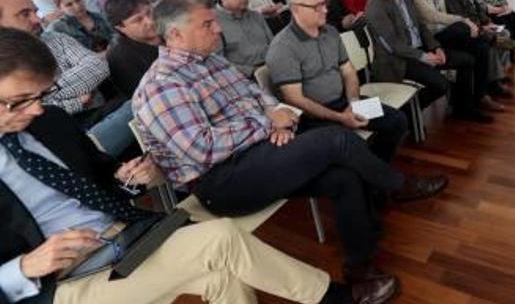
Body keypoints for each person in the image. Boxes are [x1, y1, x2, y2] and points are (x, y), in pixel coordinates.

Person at [0, 28, 393, 304]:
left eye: (42, 95)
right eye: (20, 101)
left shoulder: (48, 121)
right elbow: (203, 146)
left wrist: (135, 177)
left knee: (223, 277)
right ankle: (334, 297)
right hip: (62, 282)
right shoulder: (162, 83)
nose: (37, 109)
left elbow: (102, 174)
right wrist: (24, 266)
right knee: (219, 239)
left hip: (128, 236)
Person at [132, 0, 447, 287]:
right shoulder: (162, 85)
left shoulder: (212, 61)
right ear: (174, 35)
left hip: (261, 151)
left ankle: (360, 269)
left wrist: (277, 123)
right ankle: (397, 185)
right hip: (222, 181)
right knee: (336, 139)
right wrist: (266, 125)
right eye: (207, 24)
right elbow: (203, 148)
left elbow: (259, 97)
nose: (218, 30)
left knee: (343, 176)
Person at [267, 0, 407, 164]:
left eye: (325, 3)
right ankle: (372, 174)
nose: (325, 10)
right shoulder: (283, 47)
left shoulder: (331, 32)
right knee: (350, 144)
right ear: (295, 9)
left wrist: (353, 104)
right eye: (316, 6)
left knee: (397, 120)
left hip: (343, 103)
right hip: (312, 117)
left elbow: (348, 72)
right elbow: (296, 100)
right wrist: (341, 117)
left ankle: (376, 168)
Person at [0, 0, 135, 158]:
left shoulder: (54, 38)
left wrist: (47, 94)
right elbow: (25, 112)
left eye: (35, 12)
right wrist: (75, 102)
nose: (37, 19)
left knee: (139, 100)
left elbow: (97, 66)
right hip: (48, 138)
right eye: (24, 14)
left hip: (96, 114)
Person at [365, 0, 492, 122]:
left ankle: (463, 108)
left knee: (466, 60)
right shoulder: (377, 5)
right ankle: (407, 116)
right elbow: (393, 45)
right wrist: (424, 57)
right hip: (398, 60)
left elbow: (421, 27)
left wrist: (436, 47)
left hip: (419, 50)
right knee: (441, 85)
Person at [407, 0, 499, 112]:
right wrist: (463, 20)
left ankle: (480, 97)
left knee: (481, 48)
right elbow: (430, 15)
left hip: (444, 34)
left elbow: (444, 13)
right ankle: (467, 105)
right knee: (463, 27)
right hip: (429, 38)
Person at [443, 0, 515, 97]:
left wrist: (488, 22)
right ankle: (493, 83)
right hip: (466, 30)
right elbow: (459, 16)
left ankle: (497, 74)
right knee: (491, 41)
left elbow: (479, 8)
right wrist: (482, 27)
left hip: (479, 25)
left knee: (505, 33)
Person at [215, 0, 274, 77]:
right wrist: (252, 71)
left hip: (273, 68)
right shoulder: (213, 23)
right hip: (244, 77)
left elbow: (274, 46)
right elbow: (218, 63)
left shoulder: (256, 16)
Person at [105, 0, 160, 97]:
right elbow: (143, 96)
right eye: (138, 20)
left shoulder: (167, 28)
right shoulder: (119, 57)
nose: (150, 21)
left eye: (149, 12)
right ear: (120, 28)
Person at [47, 0, 115, 53]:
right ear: (60, 8)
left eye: (78, 0)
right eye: (69, 5)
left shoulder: (102, 17)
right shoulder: (57, 28)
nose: (77, 6)